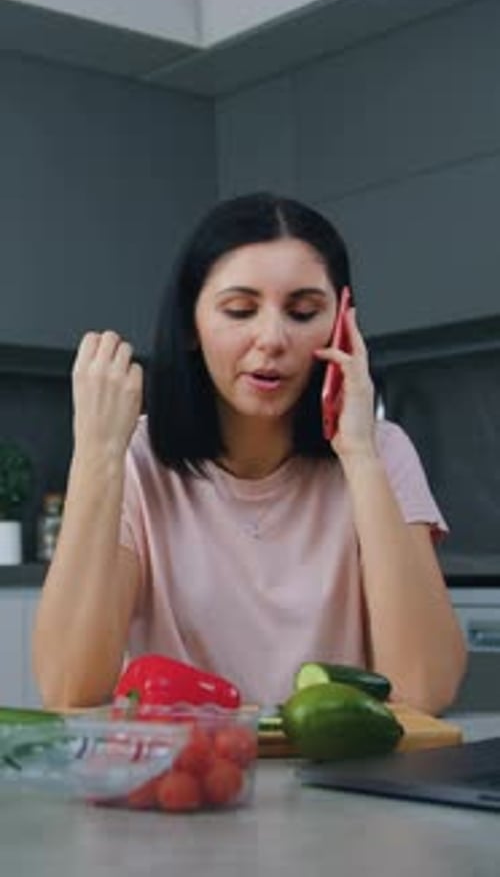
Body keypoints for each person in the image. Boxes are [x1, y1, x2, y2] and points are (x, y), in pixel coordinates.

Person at [33, 192, 466, 714]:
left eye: (303, 312)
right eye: (240, 310)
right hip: (191, 763)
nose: (272, 338)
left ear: (342, 326)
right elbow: (70, 688)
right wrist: (97, 455)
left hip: (343, 763)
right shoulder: (136, 459)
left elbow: (424, 690)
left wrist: (359, 454)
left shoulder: (382, 452)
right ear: (190, 324)